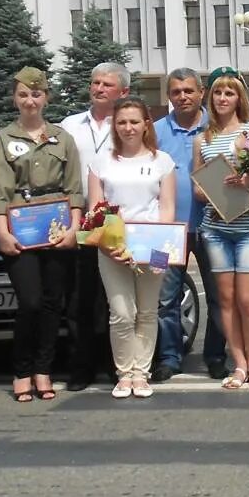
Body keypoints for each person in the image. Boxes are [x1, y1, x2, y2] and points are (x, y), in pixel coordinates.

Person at [0, 67, 85, 403]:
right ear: (15, 98)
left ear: (47, 97)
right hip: (20, 228)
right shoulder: (3, 139)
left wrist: (74, 228)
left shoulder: (63, 138)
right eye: (23, 95)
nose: (30, 100)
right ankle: (21, 370)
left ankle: (43, 371)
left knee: (52, 303)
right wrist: (2, 232)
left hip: (57, 227)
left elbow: (74, 189)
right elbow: (1, 191)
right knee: (29, 301)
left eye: (37, 94)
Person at [87, 97, 176, 399]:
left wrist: (160, 252)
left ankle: (141, 373)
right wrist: (107, 245)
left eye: (134, 121)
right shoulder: (101, 163)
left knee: (148, 312)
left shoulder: (162, 162)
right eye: (122, 122)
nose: (128, 127)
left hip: (153, 247)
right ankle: (124, 373)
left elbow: (167, 211)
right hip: (113, 250)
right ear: (115, 125)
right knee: (122, 313)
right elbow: (95, 212)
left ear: (146, 124)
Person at [193, 69, 249, 389]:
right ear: (210, 98)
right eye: (217, 93)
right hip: (214, 227)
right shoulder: (203, 138)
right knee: (225, 300)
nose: (223, 98)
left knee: (248, 301)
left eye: (229, 93)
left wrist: (248, 180)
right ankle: (238, 365)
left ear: (239, 98)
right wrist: (213, 186)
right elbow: (198, 186)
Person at [151, 68, 228, 383]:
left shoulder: (219, 126)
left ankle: (216, 357)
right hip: (164, 231)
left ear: (201, 92)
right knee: (164, 298)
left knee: (219, 296)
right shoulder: (154, 131)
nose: (182, 97)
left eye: (188, 91)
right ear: (169, 96)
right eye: (175, 92)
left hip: (213, 226)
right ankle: (169, 357)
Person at [60, 62, 130, 391]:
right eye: (95, 83)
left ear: (123, 92)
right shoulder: (70, 125)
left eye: (107, 84)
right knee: (81, 297)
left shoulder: (129, 125)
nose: (98, 88)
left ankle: (115, 364)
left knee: (116, 299)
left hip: (122, 222)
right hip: (83, 220)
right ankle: (81, 366)